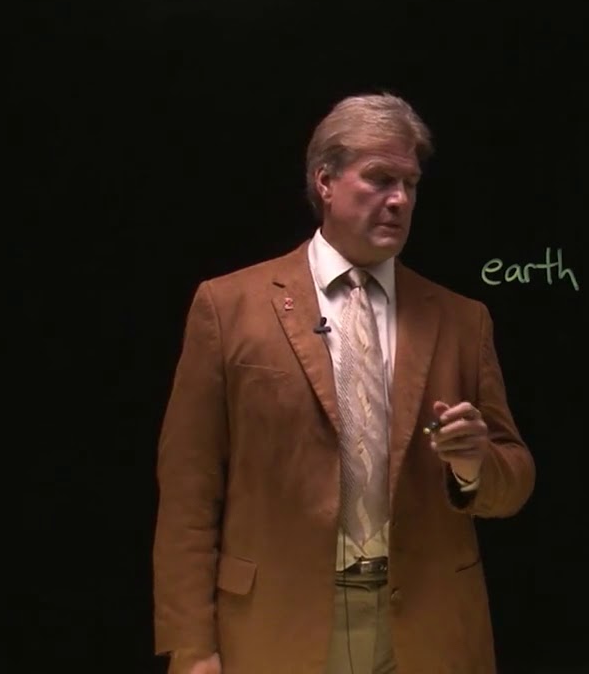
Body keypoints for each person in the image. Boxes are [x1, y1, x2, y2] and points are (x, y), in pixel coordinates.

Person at [152, 92, 535, 674]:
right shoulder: (228, 308)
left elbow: (514, 484)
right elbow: (188, 489)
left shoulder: (462, 320)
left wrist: (474, 466)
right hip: (276, 622)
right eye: (380, 179)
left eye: (410, 184)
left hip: (426, 625)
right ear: (325, 182)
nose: (399, 199)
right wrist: (191, 648)